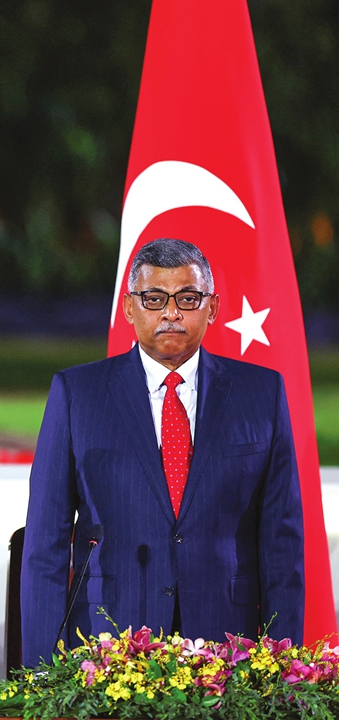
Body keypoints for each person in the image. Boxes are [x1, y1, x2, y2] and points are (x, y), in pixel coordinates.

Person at [20, 238, 304, 667]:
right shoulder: (77, 394)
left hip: (228, 647)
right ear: (129, 307)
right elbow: (46, 543)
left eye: (187, 299)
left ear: (212, 307)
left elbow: (282, 544)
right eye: (154, 299)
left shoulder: (261, 393)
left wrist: (283, 669)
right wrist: (41, 672)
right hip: (107, 644)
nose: (171, 313)